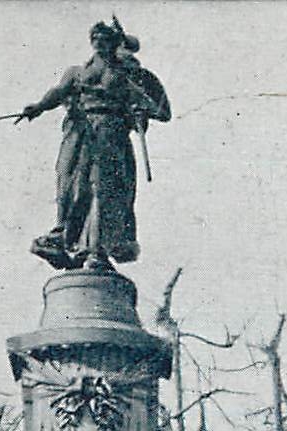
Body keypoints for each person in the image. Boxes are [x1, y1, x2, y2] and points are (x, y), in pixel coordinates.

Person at [17, 19, 171, 271]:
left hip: (111, 135)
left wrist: (142, 108)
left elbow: (162, 111)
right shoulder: (77, 72)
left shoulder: (129, 76)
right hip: (81, 133)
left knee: (104, 190)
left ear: (114, 44)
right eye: (95, 39)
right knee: (71, 187)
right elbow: (58, 92)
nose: (99, 44)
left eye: (104, 39)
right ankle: (65, 239)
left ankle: (97, 247)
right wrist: (38, 107)